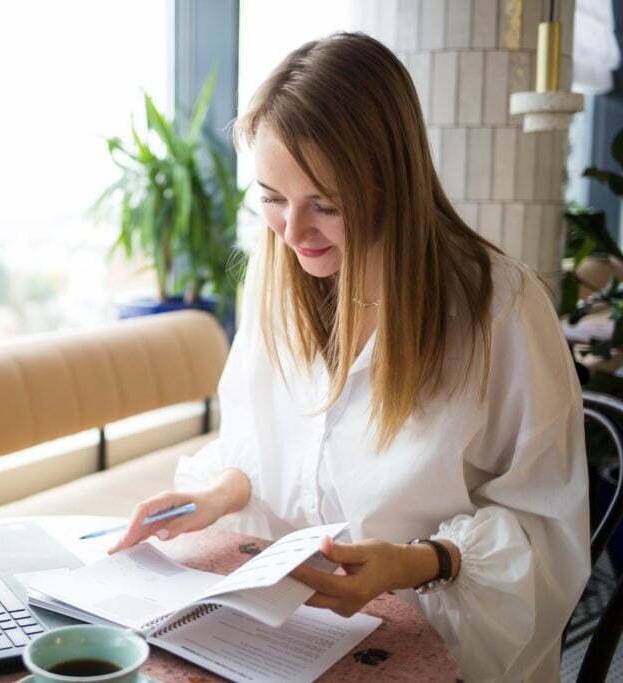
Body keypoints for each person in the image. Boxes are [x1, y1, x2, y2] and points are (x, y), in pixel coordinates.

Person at [108, 32, 590, 681]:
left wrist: (419, 561)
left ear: (390, 182)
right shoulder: (274, 281)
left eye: (326, 205)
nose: (294, 233)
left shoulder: (498, 308)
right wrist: (218, 493)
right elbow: (270, 446)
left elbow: (546, 531)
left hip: (438, 637)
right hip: (291, 634)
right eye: (273, 199)